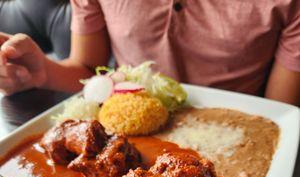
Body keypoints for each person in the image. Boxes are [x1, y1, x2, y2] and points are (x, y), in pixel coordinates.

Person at [0, 0, 299, 105]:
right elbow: (88, 70)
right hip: (125, 124)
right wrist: (41, 72)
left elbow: (279, 115)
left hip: (235, 135)